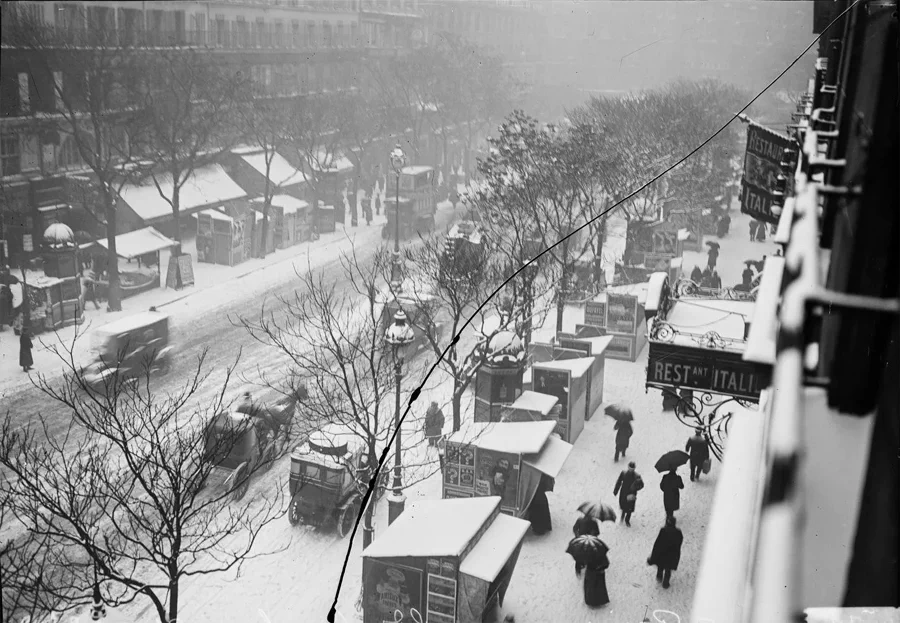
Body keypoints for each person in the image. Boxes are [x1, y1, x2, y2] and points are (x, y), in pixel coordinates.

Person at [648, 516, 684, 589]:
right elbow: (679, 542)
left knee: (660, 566)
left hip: (662, 554)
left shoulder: (663, 531)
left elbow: (657, 544)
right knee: (668, 569)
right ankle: (666, 583)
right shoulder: (678, 532)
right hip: (672, 555)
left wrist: (653, 556)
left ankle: (659, 577)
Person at [613, 461, 643, 527]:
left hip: (632, 493)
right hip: (624, 492)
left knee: (630, 507)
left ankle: (627, 520)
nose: (631, 470)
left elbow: (641, 485)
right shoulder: (623, 473)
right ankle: (622, 516)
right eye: (630, 468)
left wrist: (636, 487)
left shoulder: (637, 476)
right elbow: (619, 481)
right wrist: (616, 490)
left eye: (632, 469)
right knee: (623, 505)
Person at [583, 540, 611, 607]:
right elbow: (606, 563)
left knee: (591, 588)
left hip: (591, 573)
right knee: (598, 588)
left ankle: (591, 602)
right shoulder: (601, 552)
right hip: (599, 573)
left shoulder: (586, 553)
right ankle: (599, 601)